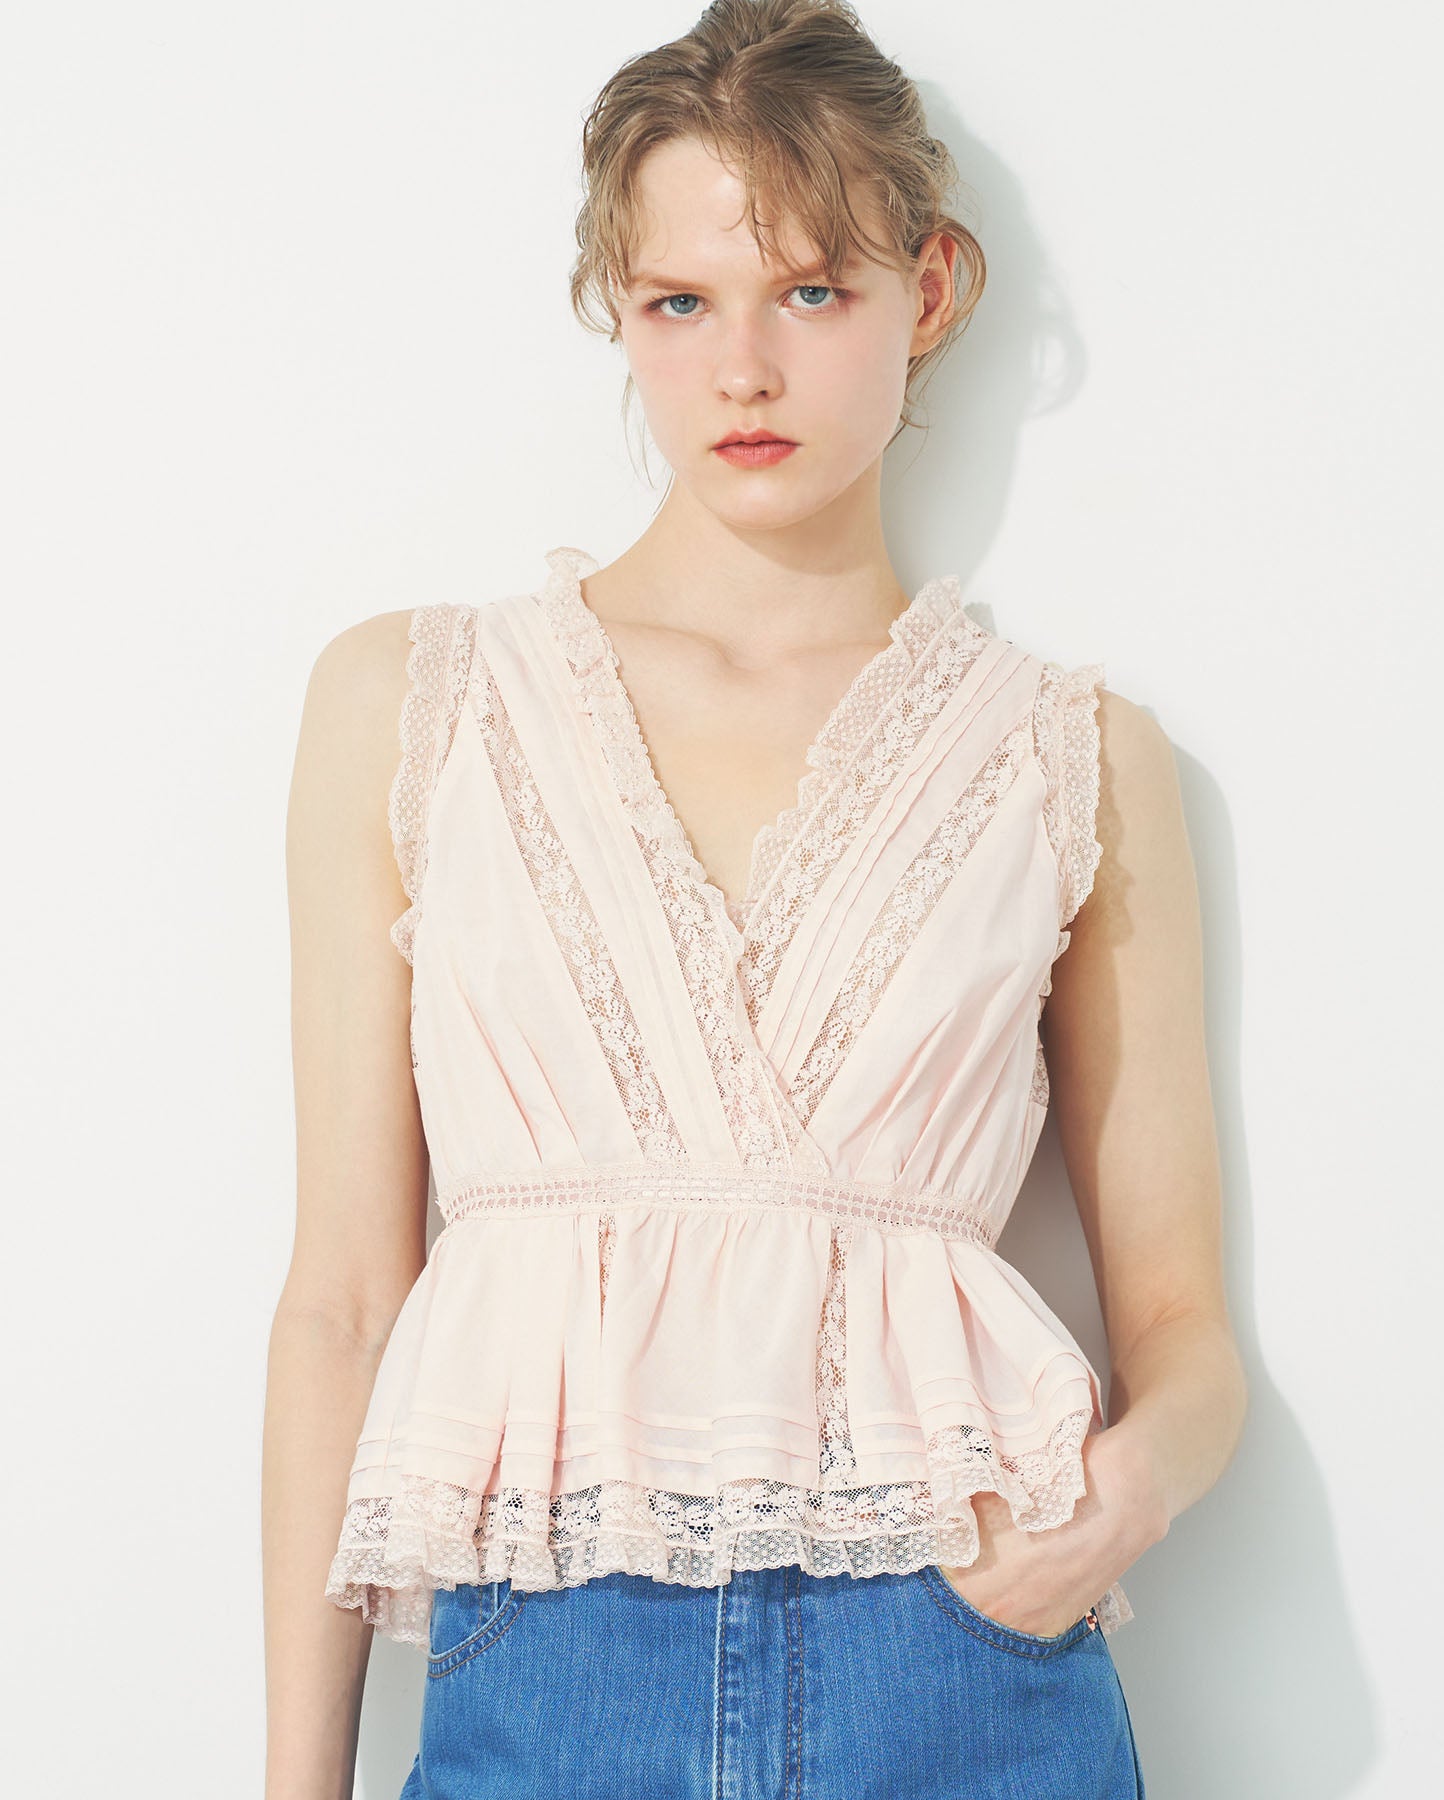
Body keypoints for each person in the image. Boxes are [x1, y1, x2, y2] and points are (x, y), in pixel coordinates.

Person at [263, 2, 1247, 1794]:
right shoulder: (418, 704)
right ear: (615, 310)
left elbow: (1185, 1335)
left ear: (929, 291)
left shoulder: (1068, 753)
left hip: (963, 1661)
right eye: (679, 303)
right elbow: (342, 1296)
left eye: (810, 291)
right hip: (548, 1665)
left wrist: (1113, 1510)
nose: (743, 371)